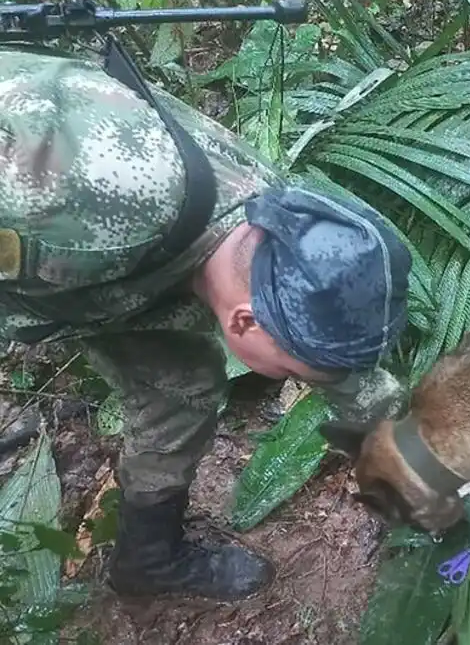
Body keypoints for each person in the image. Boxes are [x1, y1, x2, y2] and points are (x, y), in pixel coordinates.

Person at [0, 41, 412, 601]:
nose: (313, 380)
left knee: (181, 384)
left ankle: (148, 560)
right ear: (242, 323)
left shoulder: (274, 223)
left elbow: (341, 367)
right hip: (49, 219)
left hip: (104, 269)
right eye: (300, 373)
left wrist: (414, 464)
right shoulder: (79, 214)